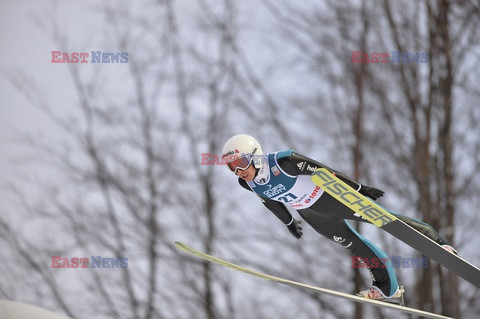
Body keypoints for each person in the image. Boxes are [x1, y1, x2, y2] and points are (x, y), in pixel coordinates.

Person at [221, 133, 457, 301]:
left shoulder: (284, 161)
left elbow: (325, 171)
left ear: (255, 155)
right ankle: (387, 287)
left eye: (241, 162)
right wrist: (290, 222)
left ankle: (438, 243)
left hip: (331, 199)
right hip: (313, 215)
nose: (240, 171)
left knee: (386, 219)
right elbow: (271, 203)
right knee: (354, 245)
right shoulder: (248, 184)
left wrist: (358, 188)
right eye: (233, 168)